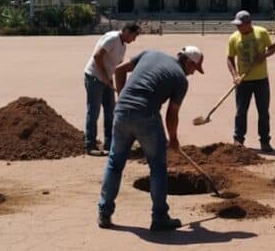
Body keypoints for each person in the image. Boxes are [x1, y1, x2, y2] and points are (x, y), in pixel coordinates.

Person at [97, 46, 204, 231]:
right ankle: (160, 217)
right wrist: (173, 139)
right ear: (188, 62)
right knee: (158, 167)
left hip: (122, 113)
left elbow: (119, 69)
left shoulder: (150, 53)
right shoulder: (180, 79)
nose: (193, 73)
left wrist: (122, 97)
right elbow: (172, 113)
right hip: (147, 117)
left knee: (115, 163)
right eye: (195, 68)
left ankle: (104, 213)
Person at [83, 22, 141, 155]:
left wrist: (120, 87)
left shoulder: (123, 46)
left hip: (106, 80)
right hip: (94, 78)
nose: (134, 39)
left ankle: (110, 144)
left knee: (110, 112)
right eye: (134, 35)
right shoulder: (113, 38)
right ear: (126, 31)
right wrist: (104, 77)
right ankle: (90, 145)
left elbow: (119, 67)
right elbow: (97, 56)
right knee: (94, 111)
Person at [226, 10, 275, 152]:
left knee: (263, 111)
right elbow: (230, 58)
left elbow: (273, 48)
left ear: (249, 24)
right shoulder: (234, 38)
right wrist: (235, 75)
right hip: (242, 82)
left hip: (261, 80)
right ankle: (238, 139)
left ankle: (265, 141)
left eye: (240, 25)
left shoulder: (261, 33)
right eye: (236, 25)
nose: (238, 28)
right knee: (241, 111)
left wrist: (264, 55)